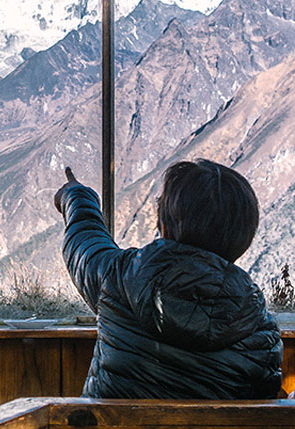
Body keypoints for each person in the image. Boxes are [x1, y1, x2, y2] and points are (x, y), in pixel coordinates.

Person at [54, 160, 282, 399]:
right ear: (243, 241)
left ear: (162, 225)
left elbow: (85, 240)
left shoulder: (120, 278)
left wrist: (76, 195)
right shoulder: (260, 329)